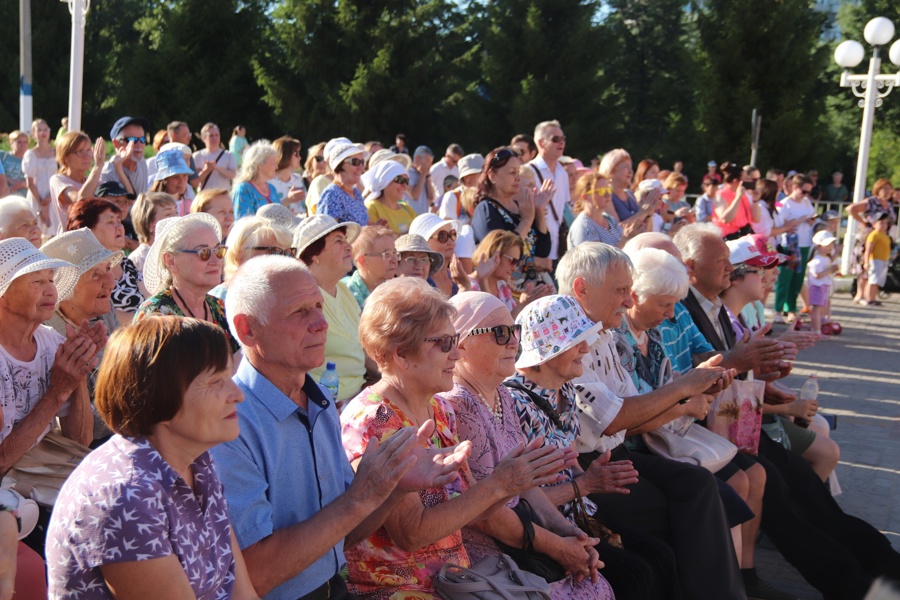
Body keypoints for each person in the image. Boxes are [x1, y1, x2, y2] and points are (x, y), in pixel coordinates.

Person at [212, 255, 470, 599]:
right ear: (247, 329)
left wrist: (390, 489)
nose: (321, 323)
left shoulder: (317, 401)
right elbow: (255, 574)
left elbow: (344, 536)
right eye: (299, 312)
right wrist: (362, 495)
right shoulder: (229, 423)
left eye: (319, 306)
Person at [673, 222, 900, 598]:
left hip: (739, 424)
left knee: (810, 492)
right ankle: (858, 586)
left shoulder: (712, 309)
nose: (729, 269)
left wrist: (765, 369)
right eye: (722, 262)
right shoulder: (685, 310)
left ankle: (882, 565)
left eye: (731, 262)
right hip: (721, 431)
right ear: (691, 266)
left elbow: (736, 372)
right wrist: (749, 365)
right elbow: (697, 378)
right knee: (790, 508)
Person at [341, 278, 580, 600]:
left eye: (454, 339)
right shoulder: (374, 422)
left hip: (456, 578)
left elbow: (471, 507)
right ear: (401, 354)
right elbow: (413, 535)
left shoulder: (439, 407)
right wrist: (498, 485)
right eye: (443, 343)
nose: (456, 353)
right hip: (401, 590)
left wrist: (511, 483)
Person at [554, 245, 749, 599]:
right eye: (620, 291)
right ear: (581, 288)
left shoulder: (605, 336)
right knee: (688, 515)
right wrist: (682, 389)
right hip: (581, 470)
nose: (628, 302)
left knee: (700, 485)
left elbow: (634, 411)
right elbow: (616, 420)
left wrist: (689, 393)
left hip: (610, 456)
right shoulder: (562, 339)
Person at [46, 317, 260, 599]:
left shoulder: (197, 461)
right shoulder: (124, 496)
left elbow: (241, 593)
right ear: (160, 394)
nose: (238, 395)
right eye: (215, 381)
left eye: (229, 377)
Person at [445, 291, 629, 600]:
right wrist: (560, 547)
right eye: (500, 333)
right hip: (488, 555)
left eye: (514, 331)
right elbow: (487, 516)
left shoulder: (500, 395)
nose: (514, 342)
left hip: (526, 535)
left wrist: (569, 533)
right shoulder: (459, 404)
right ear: (462, 343)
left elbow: (525, 484)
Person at [0, 238, 95, 474]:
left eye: (51, 280)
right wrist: (57, 392)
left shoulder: (50, 341)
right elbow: (1, 461)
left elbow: (80, 441)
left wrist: (78, 371)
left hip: (40, 477)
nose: (51, 290)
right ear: (3, 295)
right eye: (37, 281)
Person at [41, 228, 122, 443]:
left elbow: (124, 370)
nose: (111, 283)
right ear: (64, 289)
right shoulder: (48, 339)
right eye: (95, 274)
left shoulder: (103, 311)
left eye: (108, 269)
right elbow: (81, 435)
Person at [136, 213, 239, 353]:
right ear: (170, 261)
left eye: (219, 251)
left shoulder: (220, 308)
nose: (216, 261)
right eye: (204, 252)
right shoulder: (156, 314)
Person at [294, 214, 370, 402]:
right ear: (314, 254)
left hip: (361, 393)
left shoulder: (342, 289)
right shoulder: (303, 300)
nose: (349, 246)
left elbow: (366, 347)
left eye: (346, 240)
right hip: (328, 406)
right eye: (338, 241)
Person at [471, 147, 552, 289]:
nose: (518, 177)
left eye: (518, 172)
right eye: (512, 172)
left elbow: (543, 251)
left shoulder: (521, 206)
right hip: (504, 292)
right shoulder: (487, 209)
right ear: (492, 176)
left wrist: (538, 211)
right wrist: (526, 221)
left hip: (530, 289)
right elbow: (498, 253)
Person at [67, 199, 147, 327]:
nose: (119, 227)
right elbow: (108, 317)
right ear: (88, 231)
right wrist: (150, 320)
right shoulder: (82, 272)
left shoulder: (127, 264)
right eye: (110, 222)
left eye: (119, 221)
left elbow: (149, 300)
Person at [211, 215, 294, 300]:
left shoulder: (288, 295)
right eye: (274, 252)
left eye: (287, 253)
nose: (283, 261)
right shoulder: (218, 300)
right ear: (240, 256)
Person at [473, 230, 550, 316]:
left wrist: (525, 304)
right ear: (493, 253)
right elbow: (497, 323)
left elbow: (510, 323)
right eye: (512, 261)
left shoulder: (502, 286)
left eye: (517, 263)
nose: (515, 268)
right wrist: (522, 305)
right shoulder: (470, 287)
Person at [773, 175, 817, 319]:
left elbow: (811, 217)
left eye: (809, 192)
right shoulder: (785, 203)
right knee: (784, 279)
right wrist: (799, 220)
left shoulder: (806, 203)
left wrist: (810, 221)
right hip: (790, 245)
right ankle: (778, 310)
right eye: (804, 191)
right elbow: (781, 224)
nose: (806, 195)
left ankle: (791, 308)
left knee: (797, 280)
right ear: (795, 187)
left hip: (804, 244)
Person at [49, 131, 106, 236]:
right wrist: (98, 166)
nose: (87, 156)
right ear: (65, 157)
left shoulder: (94, 181)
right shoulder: (58, 180)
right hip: (71, 245)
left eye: (88, 150)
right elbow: (80, 200)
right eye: (80, 151)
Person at [848, 178, 895, 303]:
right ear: (878, 190)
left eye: (889, 189)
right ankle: (860, 294)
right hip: (868, 238)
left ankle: (870, 296)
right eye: (884, 189)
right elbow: (851, 209)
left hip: (882, 238)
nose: (887, 191)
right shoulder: (871, 202)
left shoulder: (889, 205)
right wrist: (863, 222)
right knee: (865, 266)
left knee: (875, 268)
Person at [410, 212, 474, 297]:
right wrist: (464, 287)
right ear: (425, 242)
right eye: (442, 236)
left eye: (452, 235)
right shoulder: (419, 284)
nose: (451, 242)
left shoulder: (456, 277)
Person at [598, 148, 657, 228]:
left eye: (631, 167)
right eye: (626, 167)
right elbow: (615, 230)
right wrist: (643, 212)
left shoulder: (630, 194)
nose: (631, 171)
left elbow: (647, 231)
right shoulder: (606, 196)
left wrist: (648, 214)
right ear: (612, 170)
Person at [343, 225, 398, 309]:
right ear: (363, 261)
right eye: (386, 254)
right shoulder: (346, 293)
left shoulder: (398, 291)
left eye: (394, 253)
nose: (394, 259)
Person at [318, 138, 369, 226]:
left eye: (362, 162)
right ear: (340, 165)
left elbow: (364, 225)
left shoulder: (356, 193)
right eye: (355, 162)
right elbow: (327, 233)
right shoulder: (332, 194)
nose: (361, 168)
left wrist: (374, 227)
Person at [567, 172, 627, 248]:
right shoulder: (584, 227)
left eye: (608, 189)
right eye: (601, 191)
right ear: (585, 197)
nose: (607, 195)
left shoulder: (609, 219)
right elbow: (598, 259)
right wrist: (625, 239)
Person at [100, 116, 151, 197]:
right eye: (132, 140)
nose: (139, 145)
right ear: (116, 143)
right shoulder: (108, 172)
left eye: (142, 139)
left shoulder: (142, 163)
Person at [363, 160, 416, 234]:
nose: (404, 186)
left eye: (406, 181)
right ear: (385, 181)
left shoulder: (407, 208)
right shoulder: (371, 208)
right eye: (400, 180)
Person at [129, 191, 178, 273]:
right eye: (168, 214)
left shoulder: (179, 252)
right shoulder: (137, 261)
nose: (176, 217)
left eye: (176, 212)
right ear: (150, 224)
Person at [23, 119, 57, 233]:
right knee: (35, 230)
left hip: (53, 194)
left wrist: (50, 197)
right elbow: (30, 183)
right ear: (33, 134)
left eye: (45, 129)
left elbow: (61, 174)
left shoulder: (57, 152)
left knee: (54, 231)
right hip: (36, 195)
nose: (43, 133)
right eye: (39, 130)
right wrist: (42, 204)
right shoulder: (30, 154)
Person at [232, 140, 282, 218]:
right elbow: (242, 222)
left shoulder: (272, 188)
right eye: (273, 163)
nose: (277, 167)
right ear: (260, 165)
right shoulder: (244, 189)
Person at [712, 164, 759, 241]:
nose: (749, 181)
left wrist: (756, 200)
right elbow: (725, 219)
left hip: (745, 236)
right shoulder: (720, 195)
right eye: (746, 179)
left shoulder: (744, 194)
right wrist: (738, 197)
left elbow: (756, 219)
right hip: (729, 239)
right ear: (736, 181)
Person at [806, 230, 839, 330]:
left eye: (831, 244)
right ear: (818, 246)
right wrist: (830, 270)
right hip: (817, 286)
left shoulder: (826, 258)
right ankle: (816, 331)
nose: (830, 247)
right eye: (826, 244)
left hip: (823, 286)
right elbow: (816, 275)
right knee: (816, 309)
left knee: (824, 305)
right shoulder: (816, 260)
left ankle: (821, 322)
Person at [194, 122, 238, 192]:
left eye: (217, 135)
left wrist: (216, 167)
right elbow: (194, 182)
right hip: (204, 197)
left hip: (223, 196)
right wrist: (207, 170)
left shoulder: (228, 155)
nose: (214, 138)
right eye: (211, 136)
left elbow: (234, 175)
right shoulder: (197, 156)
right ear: (203, 138)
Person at [150, 147, 194, 215]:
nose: (182, 181)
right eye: (176, 177)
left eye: (185, 175)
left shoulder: (190, 205)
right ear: (164, 180)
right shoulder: (153, 205)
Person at [268, 136, 307, 214]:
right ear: (285, 155)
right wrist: (288, 200)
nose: (300, 157)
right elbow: (265, 213)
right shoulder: (268, 182)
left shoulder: (298, 178)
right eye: (296, 154)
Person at [863, 211, 892, 306]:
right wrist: (866, 262)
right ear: (874, 224)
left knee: (877, 281)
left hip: (883, 261)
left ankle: (873, 298)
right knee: (872, 280)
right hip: (875, 260)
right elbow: (868, 250)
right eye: (881, 223)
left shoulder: (885, 236)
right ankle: (868, 298)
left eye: (885, 223)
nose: (884, 225)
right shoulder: (873, 235)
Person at [406, 146, 435, 215]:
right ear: (417, 158)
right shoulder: (407, 173)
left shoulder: (424, 175)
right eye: (427, 161)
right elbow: (414, 195)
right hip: (410, 216)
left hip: (424, 215)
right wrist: (423, 175)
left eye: (431, 162)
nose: (430, 165)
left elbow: (431, 197)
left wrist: (427, 176)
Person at [0, 131, 29, 198]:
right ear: (11, 143)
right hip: (3, 194)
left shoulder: (31, 160)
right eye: (19, 142)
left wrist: (21, 184)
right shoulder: (3, 156)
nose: (22, 145)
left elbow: (37, 182)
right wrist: (11, 181)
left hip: (23, 197)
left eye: (25, 142)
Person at [303, 141, 331, 211]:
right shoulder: (300, 182)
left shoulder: (333, 183)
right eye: (319, 158)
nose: (322, 163)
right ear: (311, 160)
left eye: (325, 160)